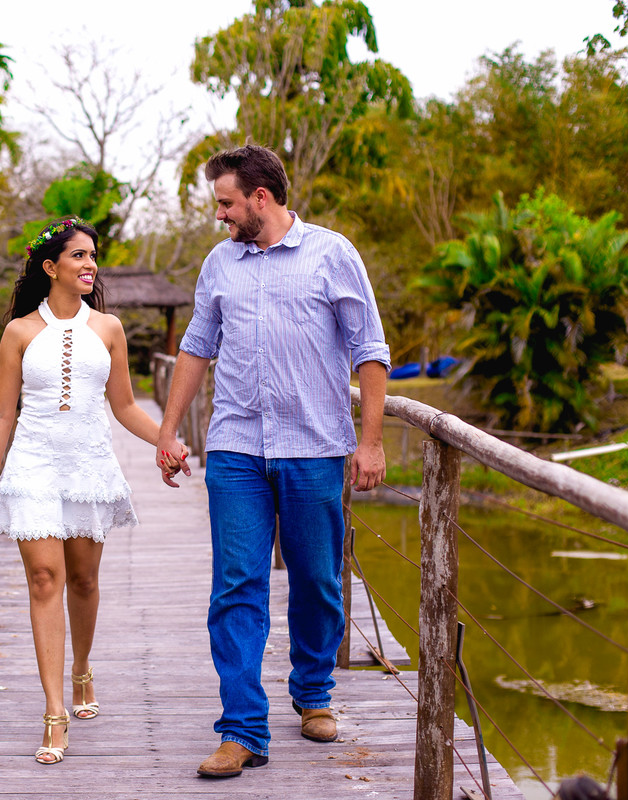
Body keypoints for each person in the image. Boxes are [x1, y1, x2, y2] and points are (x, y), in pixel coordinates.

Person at [155, 145, 391, 778]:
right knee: (236, 586)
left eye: (226, 204)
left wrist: (368, 443)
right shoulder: (219, 263)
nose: (220, 216)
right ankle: (242, 729)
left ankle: (313, 691)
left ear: (261, 198)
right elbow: (196, 348)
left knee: (316, 580)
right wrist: (169, 431)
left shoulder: (333, 254)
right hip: (234, 448)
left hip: (314, 446)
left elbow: (369, 350)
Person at [0, 216, 185, 765]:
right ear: (50, 267)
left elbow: (125, 407)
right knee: (45, 579)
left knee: (83, 579)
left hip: (89, 466)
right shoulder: (19, 332)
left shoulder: (109, 328)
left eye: (93, 256)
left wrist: (166, 441)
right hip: (33, 467)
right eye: (79, 256)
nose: (90, 264)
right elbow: (2, 412)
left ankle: (82, 668)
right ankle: (53, 711)